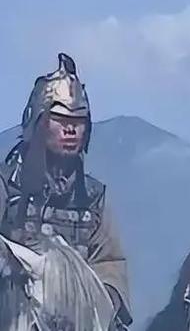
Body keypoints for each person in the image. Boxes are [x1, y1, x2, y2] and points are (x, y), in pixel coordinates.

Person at [0, 53, 132, 330]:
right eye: (60, 119)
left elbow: (110, 262)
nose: (71, 129)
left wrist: (99, 301)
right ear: (39, 122)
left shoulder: (93, 198)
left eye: (79, 121)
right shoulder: (6, 185)